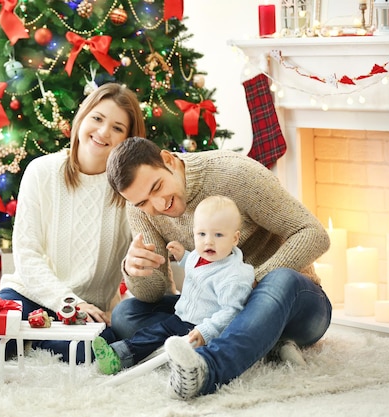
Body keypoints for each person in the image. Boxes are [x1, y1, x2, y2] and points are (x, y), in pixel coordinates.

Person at [105, 136, 332, 400]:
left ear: (168, 160)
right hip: (217, 308)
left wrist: (250, 284)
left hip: (291, 305)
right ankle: (262, 344)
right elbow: (153, 294)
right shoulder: (141, 210)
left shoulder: (234, 174)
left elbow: (314, 234)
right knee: (126, 314)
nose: (156, 205)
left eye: (157, 187)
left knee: (280, 280)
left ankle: (208, 369)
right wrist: (135, 270)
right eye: (142, 202)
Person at [0, 83, 146, 365]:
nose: (102, 133)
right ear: (83, 117)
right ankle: (31, 335)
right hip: (29, 295)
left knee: (88, 354)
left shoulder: (129, 191)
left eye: (117, 128)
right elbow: (26, 254)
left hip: (88, 308)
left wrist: (117, 307)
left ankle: (30, 339)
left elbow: (139, 261)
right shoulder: (42, 171)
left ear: (128, 138)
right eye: (97, 119)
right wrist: (67, 304)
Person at [91, 195, 254, 375]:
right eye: (201, 234)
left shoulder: (233, 276)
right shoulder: (201, 257)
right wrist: (183, 256)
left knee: (155, 336)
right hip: (182, 315)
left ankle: (119, 357)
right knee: (153, 332)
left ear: (234, 238)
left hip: (199, 327)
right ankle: (117, 351)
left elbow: (231, 312)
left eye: (218, 235)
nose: (208, 241)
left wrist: (206, 331)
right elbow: (196, 270)